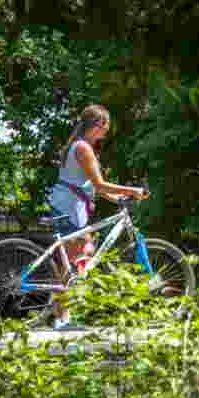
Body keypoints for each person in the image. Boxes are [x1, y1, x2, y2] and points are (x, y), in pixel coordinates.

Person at [47, 104, 149, 329]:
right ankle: (62, 319)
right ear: (97, 125)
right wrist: (132, 190)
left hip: (68, 206)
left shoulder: (77, 145)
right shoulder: (83, 148)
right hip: (69, 208)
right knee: (76, 262)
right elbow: (99, 184)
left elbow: (95, 189)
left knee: (79, 259)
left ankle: (60, 316)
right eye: (106, 127)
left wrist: (119, 199)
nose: (106, 132)